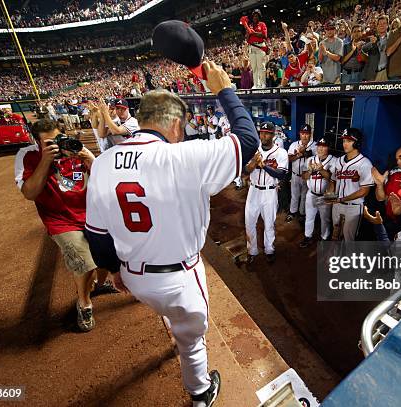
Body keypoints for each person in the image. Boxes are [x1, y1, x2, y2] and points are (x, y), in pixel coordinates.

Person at [85, 60, 259, 407]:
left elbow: (97, 236)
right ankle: (199, 394)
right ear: (175, 123)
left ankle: (171, 321)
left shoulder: (102, 163)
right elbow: (247, 140)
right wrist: (224, 89)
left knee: (167, 311)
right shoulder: (184, 156)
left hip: (134, 277)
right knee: (193, 342)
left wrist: (116, 272)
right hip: (181, 280)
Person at [14, 119, 102, 332]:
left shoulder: (75, 148)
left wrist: (90, 159)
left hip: (92, 215)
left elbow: (104, 179)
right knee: (83, 260)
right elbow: (29, 193)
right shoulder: (28, 156)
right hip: (60, 220)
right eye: (47, 142)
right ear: (37, 142)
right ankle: (84, 303)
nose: (56, 145)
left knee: (106, 256)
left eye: (57, 139)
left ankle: (98, 283)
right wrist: (46, 159)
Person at [244, 122, 289, 263]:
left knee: (269, 224)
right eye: (261, 132)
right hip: (253, 190)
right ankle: (252, 251)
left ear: (273, 134)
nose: (263, 135)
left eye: (267, 132)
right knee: (249, 223)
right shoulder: (252, 150)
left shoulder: (281, 152)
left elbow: (281, 174)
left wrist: (263, 166)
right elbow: (245, 171)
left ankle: (269, 249)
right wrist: (253, 162)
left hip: (270, 192)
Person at [327, 128, 374, 241]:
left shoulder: (365, 163)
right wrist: (330, 194)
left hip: (354, 207)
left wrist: (341, 199)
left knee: (348, 238)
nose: (345, 144)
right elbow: (333, 180)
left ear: (356, 143)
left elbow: (364, 191)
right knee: (335, 233)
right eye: (344, 141)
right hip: (337, 205)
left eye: (349, 141)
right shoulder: (338, 161)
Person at [300, 138, 336, 247]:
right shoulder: (310, 159)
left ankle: (324, 238)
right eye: (319, 145)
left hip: (327, 194)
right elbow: (304, 177)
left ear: (328, 148)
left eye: (324, 146)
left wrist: (321, 170)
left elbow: (332, 178)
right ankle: (308, 236)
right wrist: (310, 170)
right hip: (311, 193)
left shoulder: (334, 160)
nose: (320, 148)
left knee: (326, 219)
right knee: (309, 217)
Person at [287, 124, 317, 223]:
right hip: (295, 174)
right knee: (294, 195)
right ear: (300, 134)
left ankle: (302, 214)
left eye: (307, 134)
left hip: (308, 176)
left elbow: (313, 155)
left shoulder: (315, 145)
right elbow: (289, 158)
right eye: (302, 133)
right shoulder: (294, 144)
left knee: (304, 196)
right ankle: (292, 212)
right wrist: (298, 155)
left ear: (310, 134)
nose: (304, 136)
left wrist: (303, 153)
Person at [242, 9, 268, 89]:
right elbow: (247, 38)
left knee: (261, 66)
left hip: (260, 46)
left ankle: (263, 84)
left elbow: (264, 35)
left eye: (257, 16)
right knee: (254, 67)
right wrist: (247, 28)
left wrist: (253, 33)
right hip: (252, 47)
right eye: (254, 16)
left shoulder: (262, 24)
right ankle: (256, 84)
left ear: (259, 17)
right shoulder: (249, 25)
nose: (255, 17)